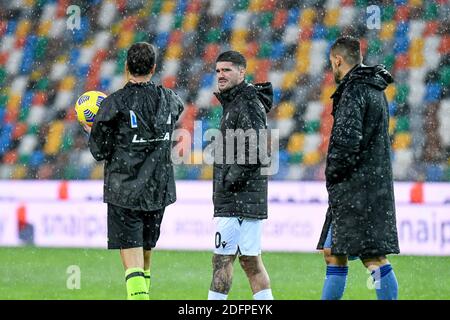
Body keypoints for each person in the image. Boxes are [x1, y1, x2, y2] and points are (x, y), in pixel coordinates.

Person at [84, 42, 184, 300]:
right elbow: (178, 111)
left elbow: (100, 151)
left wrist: (92, 132)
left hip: (125, 191)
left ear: (126, 67)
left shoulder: (114, 104)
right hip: (157, 189)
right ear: (153, 68)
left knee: (133, 260)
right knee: (146, 254)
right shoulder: (169, 99)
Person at [316, 36, 399, 300]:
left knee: (373, 257)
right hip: (368, 183)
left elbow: (346, 143)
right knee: (333, 252)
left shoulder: (353, 91)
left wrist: (333, 173)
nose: (332, 68)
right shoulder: (374, 89)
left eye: (332, 63)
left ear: (338, 60)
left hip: (357, 188)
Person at [207, 51, 274, 300]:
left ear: (242, 72)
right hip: (244, 196)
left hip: (238, 198)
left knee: (223, 261)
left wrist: (228, 180)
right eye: (218, 71)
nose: (221, 75)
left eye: (227, 70)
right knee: (250, 262)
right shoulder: (237, 101)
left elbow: (256, 149)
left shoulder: (246, 101)